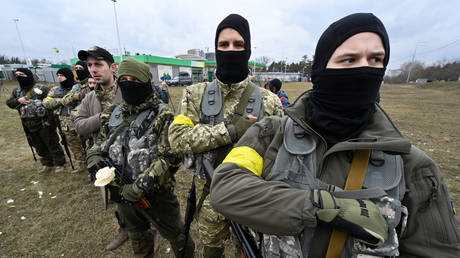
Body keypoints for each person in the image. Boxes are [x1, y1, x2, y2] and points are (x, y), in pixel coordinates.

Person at [210, 13, 460, 258]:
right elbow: (226, 186)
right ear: (321, 68)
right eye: (349, 60)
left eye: (375, 60)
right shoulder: (270, 132)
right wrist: (322, 206)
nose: (364, 70)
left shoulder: (413, 166)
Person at [168, 13, 283, 257]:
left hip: (252, 202)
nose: (231, 50)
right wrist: (230, 131)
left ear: (248, 50)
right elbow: (177, 138)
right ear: (216, 49)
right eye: (224, 45)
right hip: (209, 199)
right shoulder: (194, 94)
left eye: (238, 45)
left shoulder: (270, 102)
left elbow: (280, 157)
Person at [86, 57, 194, 257]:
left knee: (178, 236)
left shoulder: (163, 115)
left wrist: (137, 188)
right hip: (121, 193)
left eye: (135, 80)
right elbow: (99, 144)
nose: (129, 84)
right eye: (124, 79)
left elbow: (169, 160)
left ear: (147, 82)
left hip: (156, 197)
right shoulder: (113, 113)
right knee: (138, 237)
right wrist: (93, 158)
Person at [74, 46, 125, 251]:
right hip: (104, 159)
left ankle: (149, 231)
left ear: (112, 67)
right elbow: (79, 125)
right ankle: (124, 229)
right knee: (117, 196)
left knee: (140, 196)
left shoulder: (127, 90)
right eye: (89, 65)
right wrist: (101, 118)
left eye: (98, 64)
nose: (93, 69)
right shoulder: (90, 97)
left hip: (131, 155)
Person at [6, 68, 66, 173]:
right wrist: (18, 101)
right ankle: (47, 163)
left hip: (44, 122)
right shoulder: (17, 91)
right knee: (37, 144)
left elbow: (52, 104)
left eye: (21, 74)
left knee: (51, 143)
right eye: (17, 75)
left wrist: (50, 121)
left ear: (28, 75)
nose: (19, 77)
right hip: (28, 123)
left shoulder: (42, 88)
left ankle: (59, 163)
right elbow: (9, 103)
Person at [43, 68, 86, 173]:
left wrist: (57, 101)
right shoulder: (55, 89)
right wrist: (62, 101)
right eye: (58, 75)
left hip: (79, 119)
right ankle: (82, 165)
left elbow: (81, 100)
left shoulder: (78, 87)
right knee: (73, 145)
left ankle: (91, 166)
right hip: (64, 122)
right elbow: (46, 102)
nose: (59, 77)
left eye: (62, 75)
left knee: (85, 143)